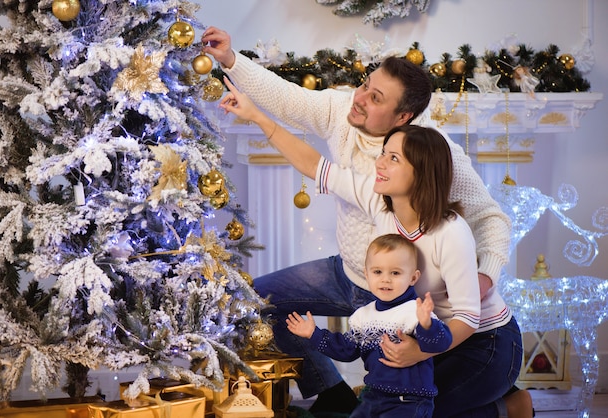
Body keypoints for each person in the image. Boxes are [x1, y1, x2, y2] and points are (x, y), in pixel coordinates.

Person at [203, 27, 532, 417]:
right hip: (355, 279)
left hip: (467, 331)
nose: (358, 99)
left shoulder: (437, 168)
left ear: (404, 118)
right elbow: (309, 151)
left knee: (413, 404)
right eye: (364, 85)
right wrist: (235, 68)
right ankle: (332, 394)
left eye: (375, 98)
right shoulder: (379, 196)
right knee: (258, 301)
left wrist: (483, 278)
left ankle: (508, 406)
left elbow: (479, 262)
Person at [287, 233, 453, 418]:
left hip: (408, 399)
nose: (385, 279)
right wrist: (314, 334)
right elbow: (346, 350)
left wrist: (427, 324)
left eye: (395, 273)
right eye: (377, 272)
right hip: (374, 395)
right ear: (367, 275)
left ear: (413, 278)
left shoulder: (415, 311)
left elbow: (441, 343)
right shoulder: (363, 315)